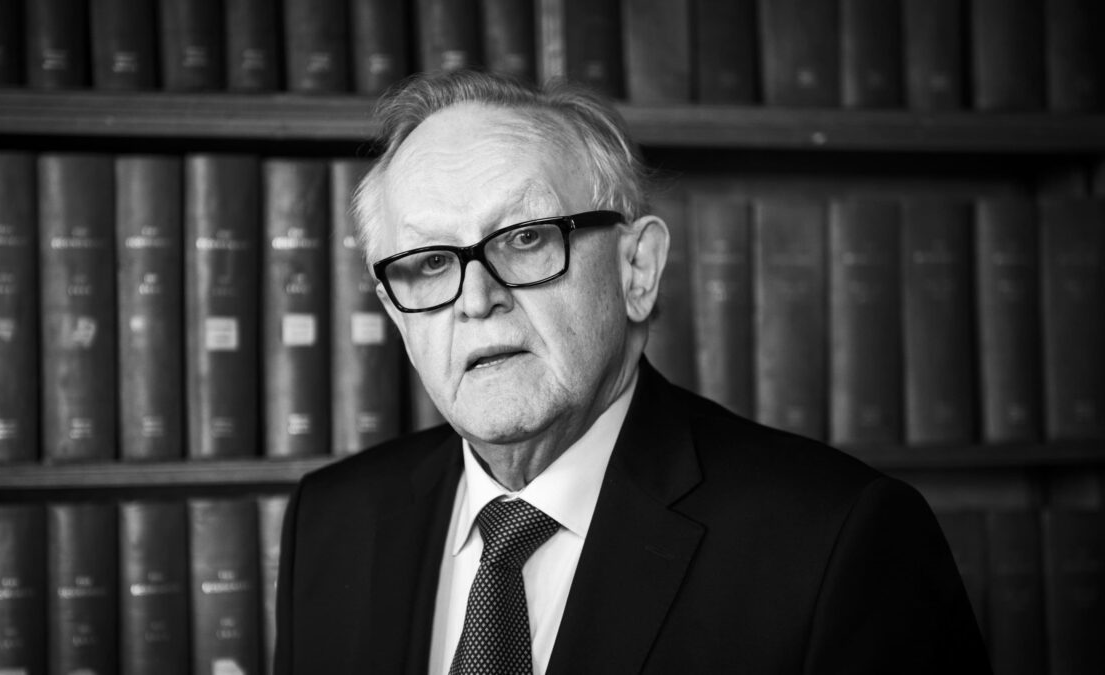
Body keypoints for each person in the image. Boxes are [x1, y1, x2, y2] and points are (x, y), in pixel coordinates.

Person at [273, 70, 989, 675]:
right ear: (394, 313)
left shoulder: (839, 540)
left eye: (525, 238)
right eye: (431, 262)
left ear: (637, 269)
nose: (476, 299)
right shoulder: (330, 522)